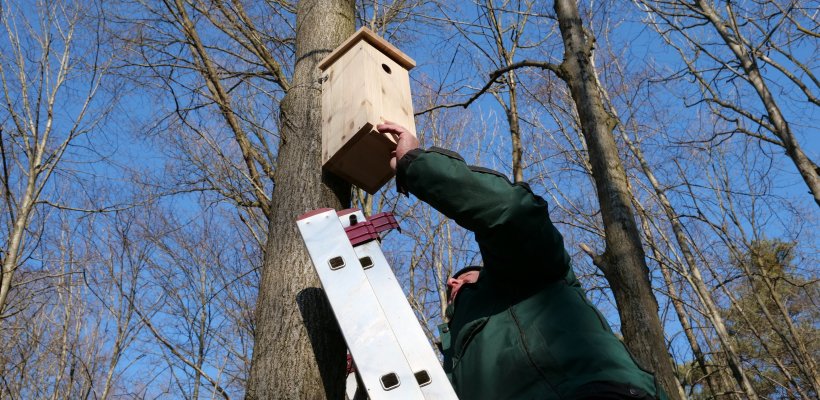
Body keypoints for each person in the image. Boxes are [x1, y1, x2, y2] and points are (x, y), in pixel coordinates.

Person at [378, 121, 668, 400]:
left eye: (465, 276)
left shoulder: (529, 276)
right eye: (453, 282)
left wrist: (415, 165)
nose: (451, 281)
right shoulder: (451, 362)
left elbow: (511, 211)